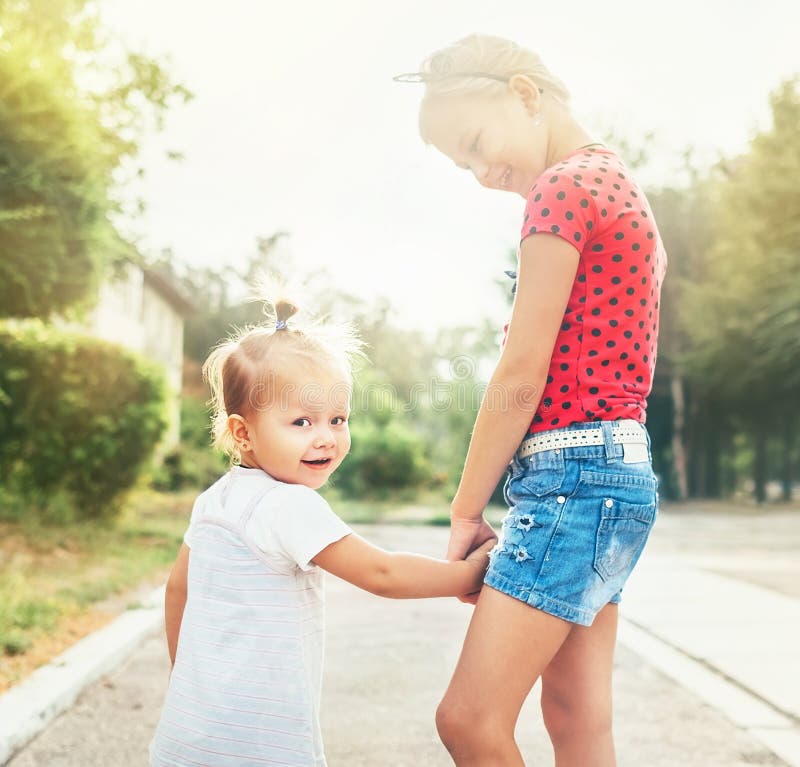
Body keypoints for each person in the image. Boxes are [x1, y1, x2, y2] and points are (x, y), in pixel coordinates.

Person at [400, 34, 668, 766]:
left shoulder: (563, 188)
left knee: (468, 718)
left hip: (572, 479)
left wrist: (464, 509)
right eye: (465, 165)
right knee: (578, 717)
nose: (483, 173)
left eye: (478, 144)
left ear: (524, 92)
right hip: (618, 475)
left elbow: (522, 372)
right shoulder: (619, 185)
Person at [149, 297, 494, 767]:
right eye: (301, 422)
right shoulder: (288, 504)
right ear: (243, 432)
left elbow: (177, 591)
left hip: (188, 735)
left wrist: (186, 679)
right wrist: (470, 574)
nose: (326, 437)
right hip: (259, 744)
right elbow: (382, 573)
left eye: (338, 419)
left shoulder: (213, 501)